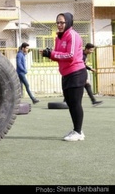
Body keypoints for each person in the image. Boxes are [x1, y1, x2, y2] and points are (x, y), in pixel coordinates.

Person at [41, 12, 87, 141]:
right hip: (66, 74)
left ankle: (78, 132)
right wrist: (48, 53)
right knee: (70, 103)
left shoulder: (73, 35)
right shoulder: (58, 37)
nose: (59, 25)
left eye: (62, 22)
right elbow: (59, 56)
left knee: (75, 103)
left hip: (76, 73)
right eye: (57, 23)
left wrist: (52, 54)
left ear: (68, 23)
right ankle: (78, 130)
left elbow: (70, 56)